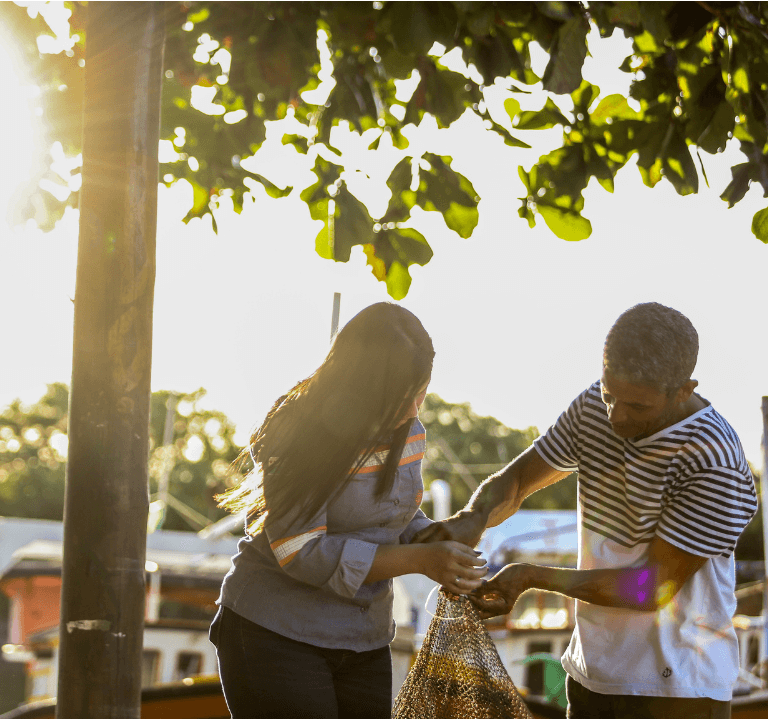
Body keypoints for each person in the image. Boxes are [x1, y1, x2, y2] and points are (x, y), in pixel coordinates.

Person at [413, 302, 757, 719]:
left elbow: (650, 588)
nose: (616, 416)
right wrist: (472, 518)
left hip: (680, 689)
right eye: (610, 395)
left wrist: (530, 575)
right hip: (591, 676)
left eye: (638, 407)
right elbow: (520, 480)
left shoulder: (712, 457)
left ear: (684, 389)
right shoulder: (596, 405)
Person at [210, 302, 487, 719]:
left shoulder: (407, 428)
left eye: (420, 393)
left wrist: (434, 537)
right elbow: (300, 551)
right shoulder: (296, 431)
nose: (414, 410)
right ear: (360, 385)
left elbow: (397, 513)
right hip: (275, 633)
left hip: (365, 639)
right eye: (400, 396)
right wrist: (419, 559)